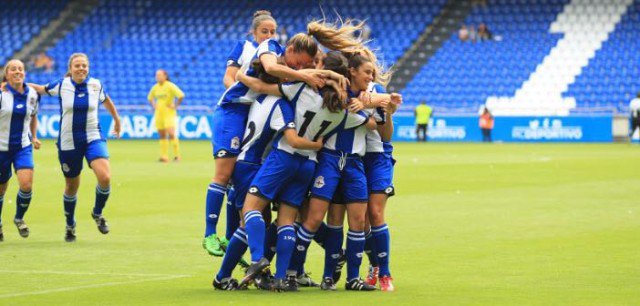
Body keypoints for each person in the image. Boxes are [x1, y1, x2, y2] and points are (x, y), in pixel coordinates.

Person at [203, 17, 357, 259]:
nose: (301, 69)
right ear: (291, 50)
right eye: (302, 64)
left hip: (274, 155)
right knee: (229, 177)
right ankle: (216, 237)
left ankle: (264, 262)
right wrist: (313, 75)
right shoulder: (271, 50)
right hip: (236, 111)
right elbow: (269, 72)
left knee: (277, 210)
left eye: (273, 30)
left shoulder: (292, 90)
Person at [235, 51, 369, 291]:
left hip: (284, 157)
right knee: (288, 219)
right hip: (309, 165)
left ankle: (258, 259)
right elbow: (368, 122)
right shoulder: (342, 112)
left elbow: (263, 85)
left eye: (318, 64)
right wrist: (374, 101)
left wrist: (239, 76)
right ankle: (283, 278)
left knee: (250, 208)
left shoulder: (300, 90)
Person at [213, 59, 326, 291]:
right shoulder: (281, 105)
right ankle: (252, 268)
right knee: (253, 220)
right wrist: (316, 144)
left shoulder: (257, 98)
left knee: (256, 221)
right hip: (254, 163)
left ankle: (235, 274)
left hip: (247, 162)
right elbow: (292, 139)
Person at [29, 53, 121, 242]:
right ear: (70, 69)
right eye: (77, 65)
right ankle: (70, 224)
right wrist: (17, 85)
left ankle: (97, 213)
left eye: (84, 65)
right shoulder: (61, 85)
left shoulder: (96, 85)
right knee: (72, 185)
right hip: (68, 142)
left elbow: (107, 101)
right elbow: (39, 89)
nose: (81, 68)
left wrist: (117, 120)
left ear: (88, 68)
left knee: (105, 177)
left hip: (93, 137)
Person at [0, 60, 41, 241]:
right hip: (1, 148)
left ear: (24, 73)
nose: (17, 72)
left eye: (21, 69)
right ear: (7, 74)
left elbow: (33, 116)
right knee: (1, 189)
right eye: (13, 69)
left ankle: (19, 218)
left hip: (23, 147)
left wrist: (34, 136)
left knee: (26, 184)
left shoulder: (32, 94)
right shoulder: (1, 95)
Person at [223, 10, 276, 89]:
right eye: (264, 31)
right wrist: (238, 97)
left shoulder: (279, 51)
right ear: (254, 32)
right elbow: (229, 78)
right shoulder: (243, 46)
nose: (269, 36)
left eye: (272, 32)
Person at [147, 69, 185, 162]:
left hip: (169, 113)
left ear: (165, 76)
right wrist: (154, 105)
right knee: (162, 135)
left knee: (171, 133)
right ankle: (164, 156)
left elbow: (181, 95)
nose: (157, 77)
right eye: (156, 75)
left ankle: (177, 155)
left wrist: (175, 105)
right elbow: (150, 98)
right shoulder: (155, 87)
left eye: (159, 75)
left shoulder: (170, 86)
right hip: (159, 113)